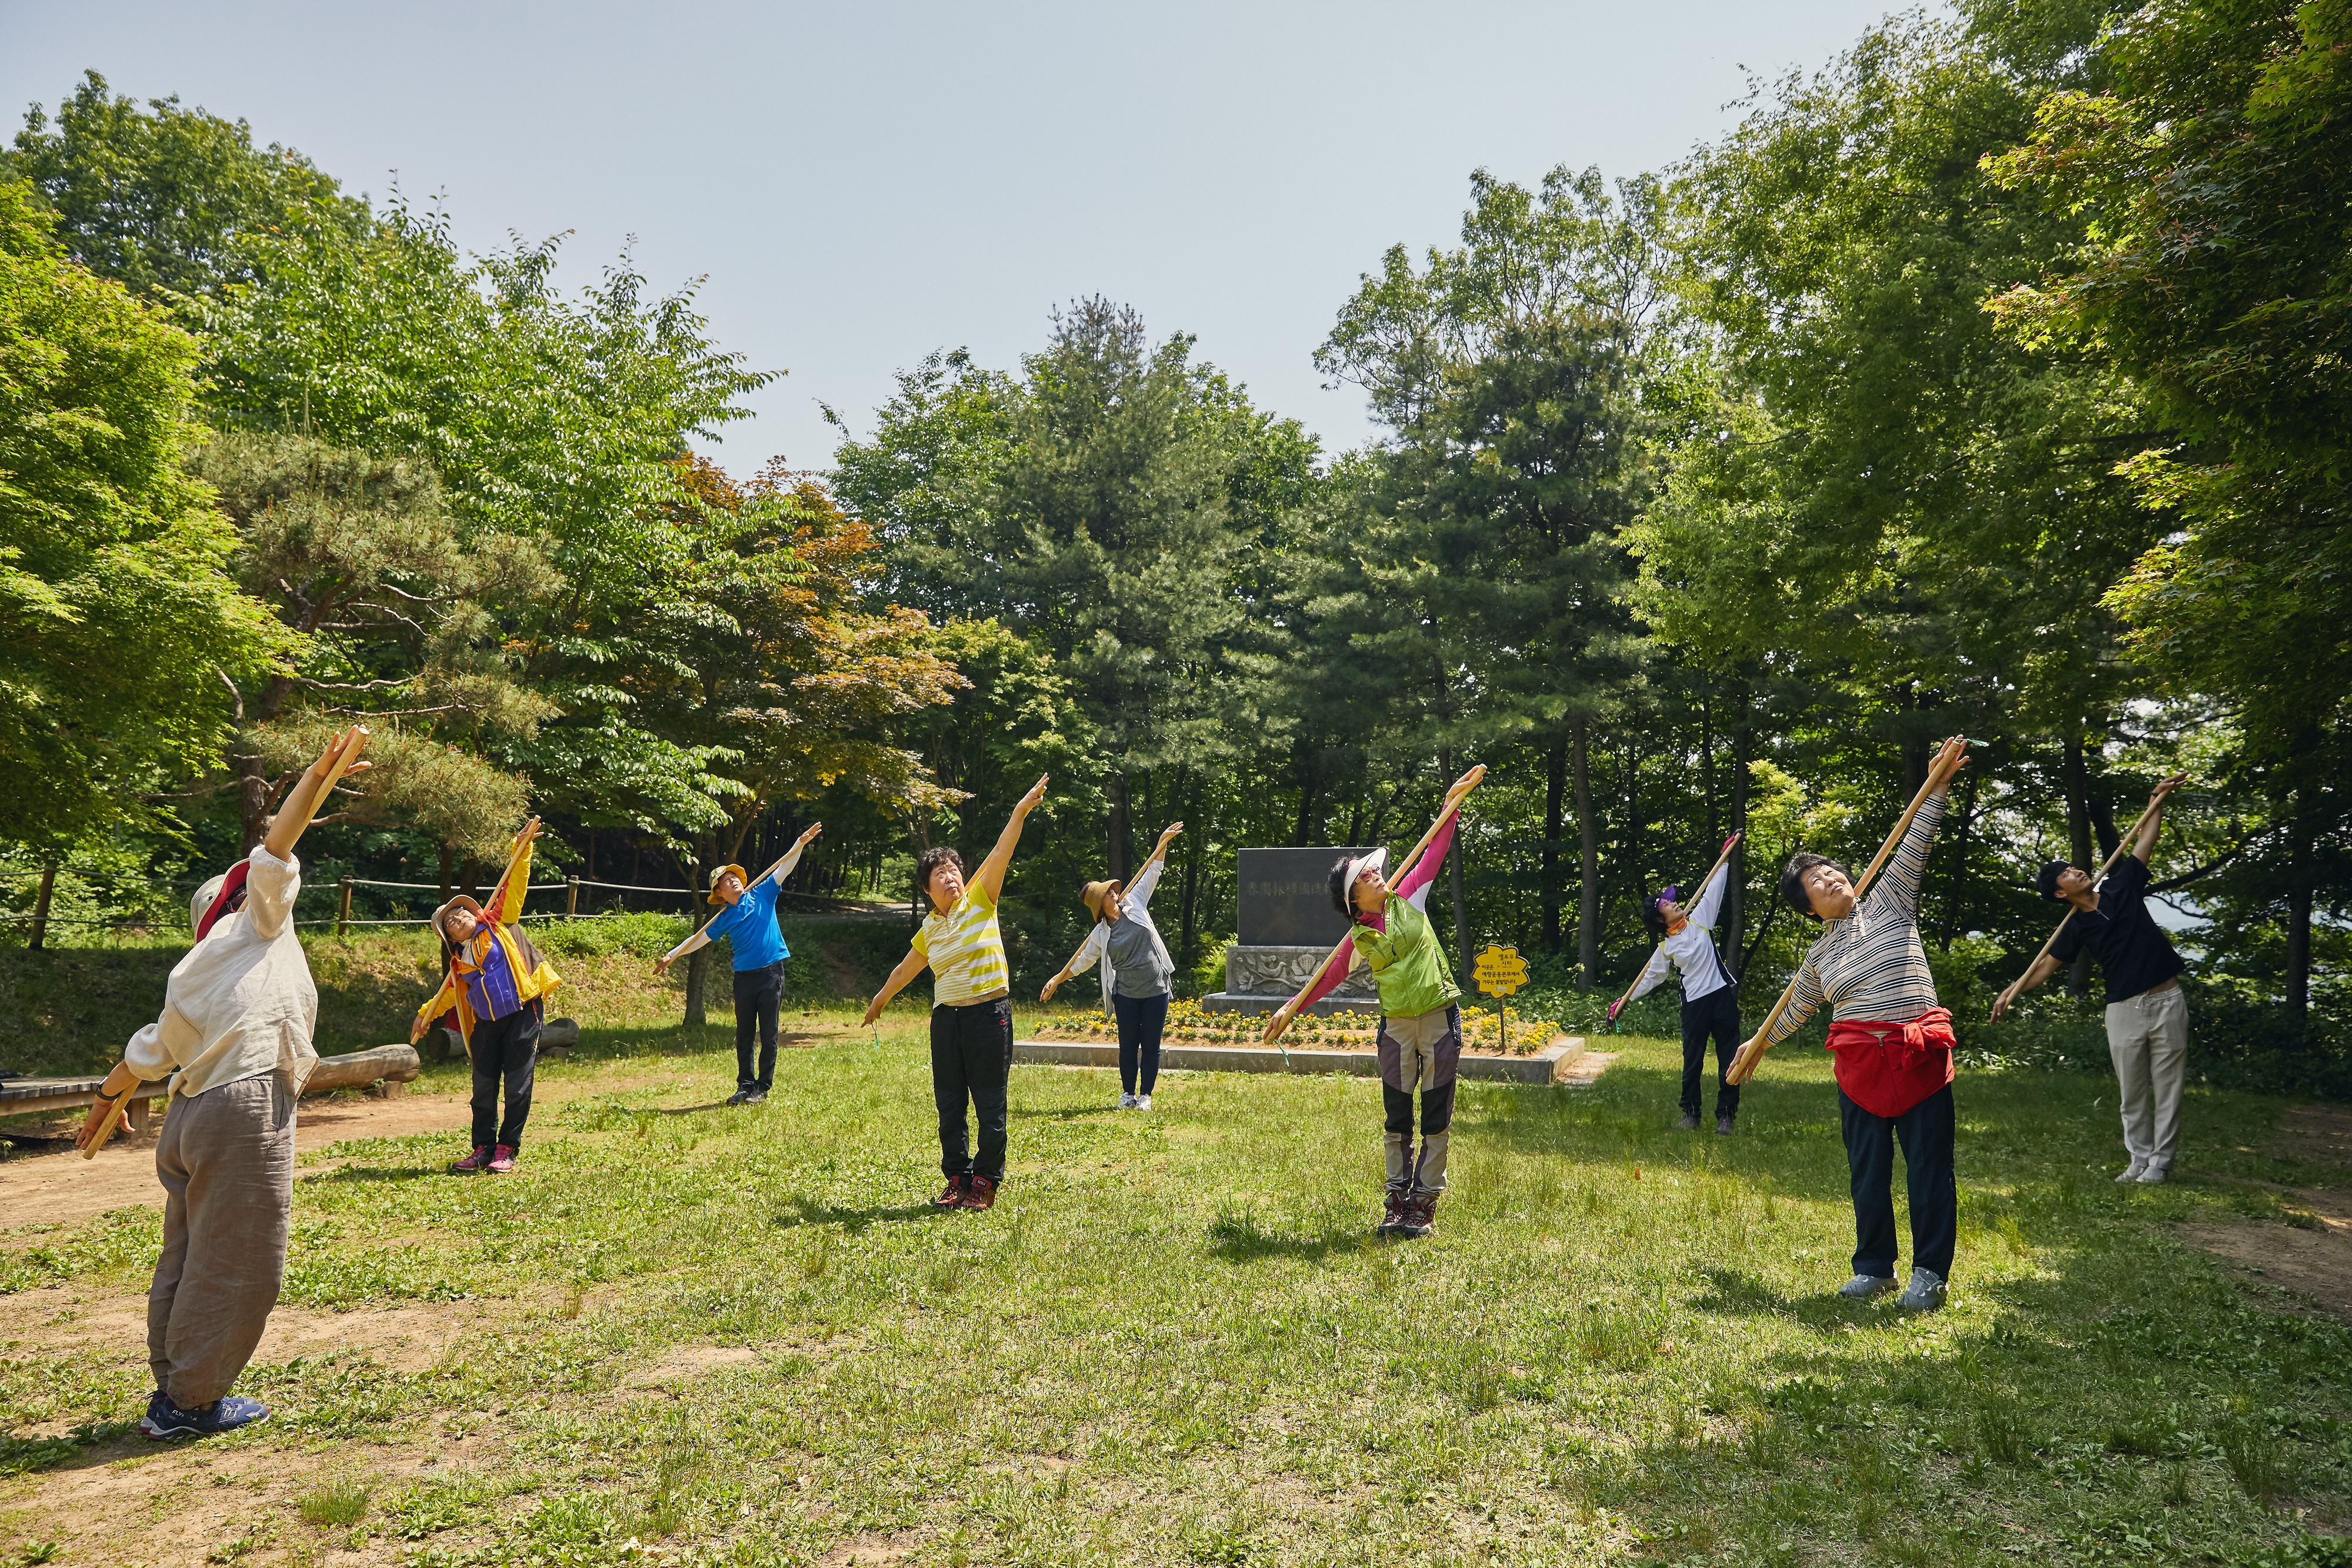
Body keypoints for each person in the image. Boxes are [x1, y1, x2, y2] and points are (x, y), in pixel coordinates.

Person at [76, 726, 372, 1440]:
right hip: (243, 1107)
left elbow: (147, 1055)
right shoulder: (255, 929)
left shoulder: (195, 973)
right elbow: (274, 852)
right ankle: (190, 1404)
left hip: (190, 1119)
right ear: (235, 905)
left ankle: (175, 1384)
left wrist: (104, 1101)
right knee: (240, 1260)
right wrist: (315, 781)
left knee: (189, 1252)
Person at [1759, 735, 1970, 1311]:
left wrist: (1938, 785)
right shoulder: (1817, 958)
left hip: (1918, 1057)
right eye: (1814, 885)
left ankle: (1930, 1272)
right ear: (1807, 910)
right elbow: (1791, 1013)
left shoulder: (1890, 901)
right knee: (1867, 1175)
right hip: (1859, 1073)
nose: (1828, 880)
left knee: (1929, 1171)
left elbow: (1916, 841)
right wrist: (1750, 1052)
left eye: (1831, 872)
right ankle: (1875, 1268)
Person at [862, 775, 1049, 1213]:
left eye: (953, 869)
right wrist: (880, 1000)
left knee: (989, 1102)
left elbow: (1002, 849)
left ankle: (984, 1181)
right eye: (939, 872)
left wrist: (1020, 809)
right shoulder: (930, 927)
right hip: (947, 1020)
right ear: (927, 889)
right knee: (949, 1102)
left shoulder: (982, 899)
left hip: (988, 1015)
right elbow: (906, 967)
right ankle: (957, 1178)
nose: (949, 876)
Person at [1990, 775, 2191, 1183]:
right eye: (2066, 872)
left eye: (2074, 866)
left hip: (2168, 997)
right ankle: (2138, 1159)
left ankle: (2160, 1164)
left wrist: (2157, 800)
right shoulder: (2075, 926)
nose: (2076, 870)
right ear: (2060, 893)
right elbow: (2044, 967)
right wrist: (2010, 992)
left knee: (2168, 1086)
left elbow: (2144, 843)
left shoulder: (2121, 887)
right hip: (2124, 1009)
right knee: (2132, 1091)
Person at [1324, 787, 1476, 1240]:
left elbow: (1436, 850)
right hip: (1395, 1029)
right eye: (1369, 874)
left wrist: (1452, 802)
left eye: (1375, 870)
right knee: (1396, 1118)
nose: (1378, 874)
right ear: (1355, 898)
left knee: (1435, 1115)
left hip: (1437, 1019)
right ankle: (1396, 1202)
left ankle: (1424, 1203)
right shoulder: (1356, 938)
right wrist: (1291, 1008)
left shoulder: (1409, 896)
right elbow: (1329, 976)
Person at [413, 819, 563, 1175]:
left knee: (517, 1085)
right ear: (448, 936)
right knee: (483, 1088)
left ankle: (507, 1149)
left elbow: (515, 884)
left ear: (475, 913)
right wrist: (425, 1016)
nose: (459, 917)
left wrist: (522, 847)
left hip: (523, 1013)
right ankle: (482, 1148)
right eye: (450, 920)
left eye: (462, 911)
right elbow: (445, 997)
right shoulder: (457, 964)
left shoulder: (500, 924)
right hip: (486, 1025)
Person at [656, 824, 824, 1105]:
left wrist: (800, 842)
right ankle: (745, 1086)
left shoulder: (763, 893)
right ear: (719, 892)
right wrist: (672, 955)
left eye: (735, 876)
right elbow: (698, 940)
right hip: (744, 978)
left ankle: (762, 1087)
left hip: (771, 972)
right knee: (744, 1034)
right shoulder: (723, 918)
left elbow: (785, 867)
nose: (733, 880)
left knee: (768, 1033)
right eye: (726, 880)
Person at [1041, 822, 1184, 1110]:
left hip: (1156, 987)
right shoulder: (1101, 934)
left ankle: (1146, 1096)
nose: (1114, 892)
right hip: (1126, 994)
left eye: (1112, 890)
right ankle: (1128, 1094)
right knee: (1128, 1046)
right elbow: (1081, 963)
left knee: (1152, 1045)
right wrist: (1057, 979)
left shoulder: (1137, 903)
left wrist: (1163, 842)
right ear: (1101, 905)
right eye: (1108, 893)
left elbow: (1153, 872)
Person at [1616, 833, 1745, 1135]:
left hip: (1722, 999)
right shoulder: (1666, 948)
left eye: (1673, 902)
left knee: (1730, 1059)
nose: (1675, 904)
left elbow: (1715, 888)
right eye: (1668, 905)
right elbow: (1651, 977)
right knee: (1692, 1063)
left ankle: (1726, 1117)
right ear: (1661, 920)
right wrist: (1625, 1001)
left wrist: (1724, 859)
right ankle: (1690, 1115)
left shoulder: (1701, 919)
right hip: (1695, 1006)